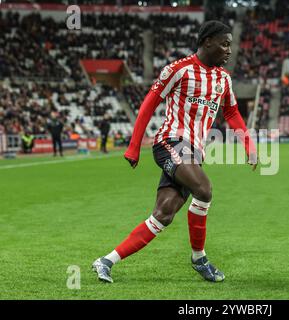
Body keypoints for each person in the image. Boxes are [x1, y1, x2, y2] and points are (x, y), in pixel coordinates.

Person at [92, 21, 258, 283]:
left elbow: (231, 112)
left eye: (230, 45)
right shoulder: (178, 70)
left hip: (193, 153)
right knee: (203, 189)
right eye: (224, 44)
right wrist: (134, 146)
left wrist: (248, 144)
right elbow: (150, 102)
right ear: (207, 42)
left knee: (164, 213)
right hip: (170, 142)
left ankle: (105, 261)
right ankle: (199, 258)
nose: (229, 50)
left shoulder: (223, 79)